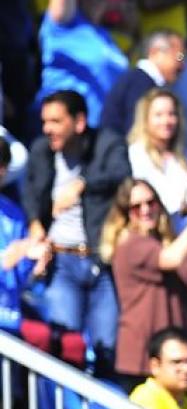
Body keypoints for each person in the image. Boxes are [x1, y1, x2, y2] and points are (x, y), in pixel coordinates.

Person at [23, 90, 125, 359]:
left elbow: (122, 175)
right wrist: (35, 224)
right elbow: (31, 194)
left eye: (56, 122)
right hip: (61, 263)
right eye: (45, 122)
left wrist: (82, 185)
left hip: (100, 260)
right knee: (66, 346)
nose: (48, 129)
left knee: (106, 347)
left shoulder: (107, 144)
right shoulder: (41, 151)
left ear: (79, 122)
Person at [103, 176, 187, 382]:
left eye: (151, 202)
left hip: (179, 357)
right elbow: (171, 259)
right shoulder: (129, 244)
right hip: (143, 359)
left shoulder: (171, 242)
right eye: (136, 207)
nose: (145, 210)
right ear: (124, 213)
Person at [124, 86, 187, 213]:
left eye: (171, 114)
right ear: (146, 119)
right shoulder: (136, 154)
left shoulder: (185, 154)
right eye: (158, 115)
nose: (166, 121)